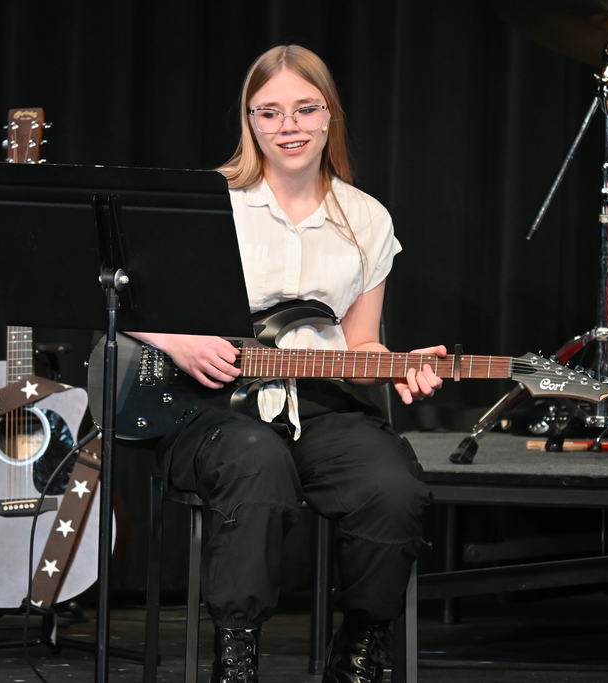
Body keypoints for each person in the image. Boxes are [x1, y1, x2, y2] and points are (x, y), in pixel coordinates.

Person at [130, 44, 445, 683]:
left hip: (320, 402)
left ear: (329, 117)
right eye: (269, 112)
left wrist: (399, 365)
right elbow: (120, 297)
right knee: (256, 460)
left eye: (304, 109)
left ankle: (361, 645)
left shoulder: (365, 218)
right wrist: (178, 342)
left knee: (394, 488)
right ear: (250, 121)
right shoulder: (209, 200)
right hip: (210, 401)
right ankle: (237, 658)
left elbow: (360, 346)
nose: (288, 127)